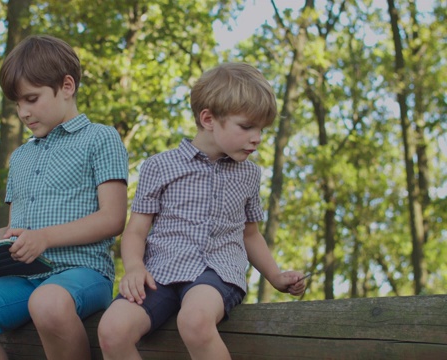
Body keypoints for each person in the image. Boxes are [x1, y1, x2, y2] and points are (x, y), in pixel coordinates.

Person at [0, 35, 129, 360]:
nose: (23, 112)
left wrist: (45, 238)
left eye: (31, 99)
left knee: (48, 302)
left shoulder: (100, 138)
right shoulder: (20, 157)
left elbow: (113, 218)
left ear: (66, 86)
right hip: (22, 279)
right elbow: (14, 233)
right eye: (17, 103)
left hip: (83, 272)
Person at [97, 62, 307, 360]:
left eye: (261, 129)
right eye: (247, 126)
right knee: (112, 330)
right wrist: (134, 267)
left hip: (218, 272)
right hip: (161, 273)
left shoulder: (248, 174)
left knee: (194, 320)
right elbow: (136, 231)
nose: (257, 137)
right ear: (208, 118)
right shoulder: (160, 166)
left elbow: (250, 234)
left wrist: (275, 276)